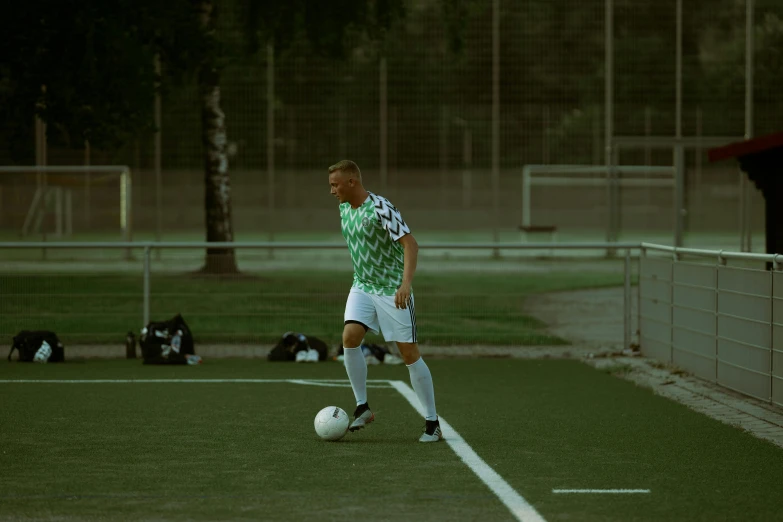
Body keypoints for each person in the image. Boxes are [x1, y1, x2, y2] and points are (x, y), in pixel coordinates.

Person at [328, 159, 442, 443]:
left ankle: (432, 423)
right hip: (362, 286)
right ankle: (362, 407)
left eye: (335, 184)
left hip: (393, 290)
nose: (332, 191)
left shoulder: (381, 207)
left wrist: (405, 284)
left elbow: (410, 244)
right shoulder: (344, 208)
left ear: (352, 182)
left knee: (408, 354)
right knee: (350, 338)